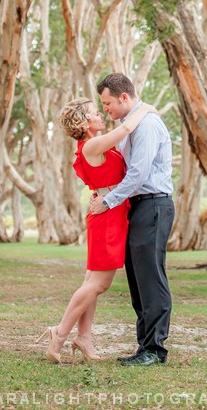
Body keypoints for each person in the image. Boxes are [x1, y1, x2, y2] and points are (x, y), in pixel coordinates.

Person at [37, 96, 155, 364]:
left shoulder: (95, 145)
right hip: (107, 217)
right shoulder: (91, 145)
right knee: (99, 284)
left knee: (92, 283)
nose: (102, 114)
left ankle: (84, 338)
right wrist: (145, 109)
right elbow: (125, 129)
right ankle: (60, 333)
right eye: (95, 112)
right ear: (84, 120)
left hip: (110, 210)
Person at [89, 73, 174, 367]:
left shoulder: (147, 125)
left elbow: (138, 174)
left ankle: (155, 349)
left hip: (153, 205)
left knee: (151, 278)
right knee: (138, 281)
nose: (107, 109)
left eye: (108, 102)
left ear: (124, 97)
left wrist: (108, 202)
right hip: (136, 207)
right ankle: (144, 347)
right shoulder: (133, 124)